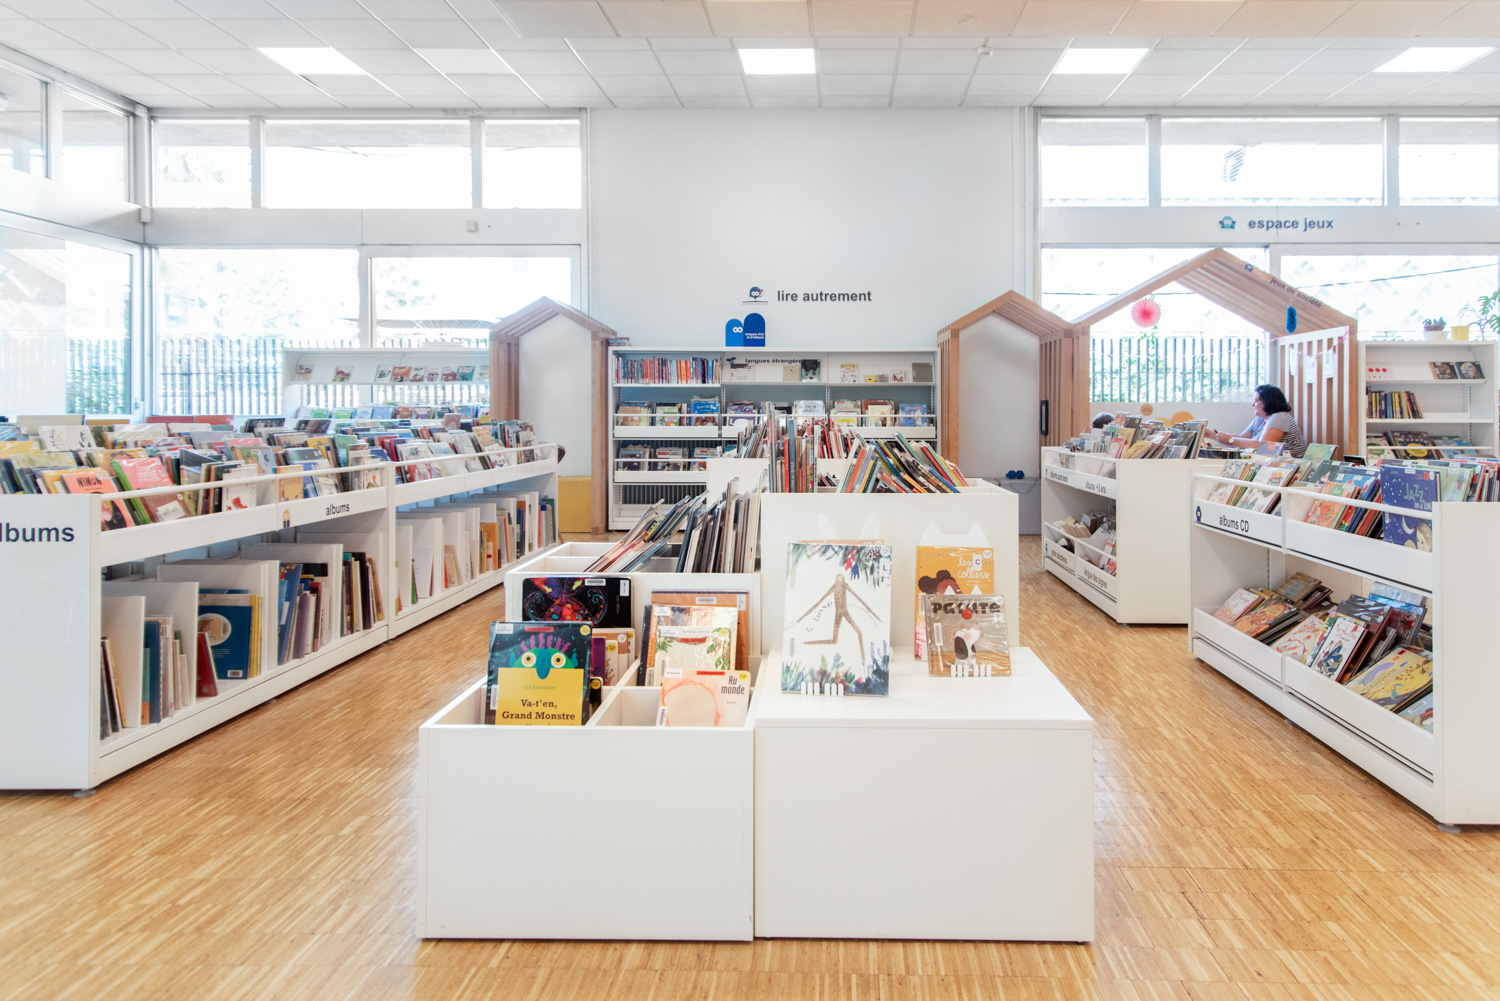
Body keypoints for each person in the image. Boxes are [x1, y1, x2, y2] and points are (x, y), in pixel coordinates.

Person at [1209, 384, 1308, 458]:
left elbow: (1263, 447)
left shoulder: (1280, 417)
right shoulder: (1260, 420)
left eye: (1256, 401)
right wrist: (1211, 435)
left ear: (1267, 402)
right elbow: (1242, 439)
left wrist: (1230, 440)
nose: (1253, 404)